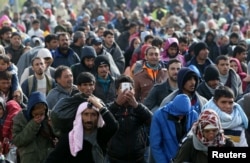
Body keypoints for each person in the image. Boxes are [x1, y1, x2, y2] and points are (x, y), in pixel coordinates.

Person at [45, 96, 118, 163]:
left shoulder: (101, 134)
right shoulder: (70, 139)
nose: (89, 119)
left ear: (98, 117)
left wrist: (99, 106)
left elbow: (114, 126)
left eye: (93, 115)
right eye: (86, 114)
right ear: (80, 116)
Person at [107, 75, 152, 162]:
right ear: (116, 91)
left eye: (130, 88)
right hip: (115, 157)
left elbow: (151, 121)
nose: (127, 91)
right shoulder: (110, 107)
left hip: (138, 157)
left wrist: (136, 106)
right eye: (123, 88)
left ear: (134, 91)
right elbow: (103, 121)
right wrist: (116, 105)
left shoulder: (139, 107)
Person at [150, 94, 198, 163]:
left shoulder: (193, 115)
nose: (181, 117)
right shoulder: (159, 116)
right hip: (167, 159)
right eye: (179, 114)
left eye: (184, 115)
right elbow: (155, 145)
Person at [12, 92, 57, 163]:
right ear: (30, 110)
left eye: (41, 114)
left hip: (48, 157)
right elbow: (17, 141)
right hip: (29, 158)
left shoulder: (50, 116)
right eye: (35, 114)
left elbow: (60, 134)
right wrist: (34, 124)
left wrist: (53, 126)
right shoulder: (20, 118)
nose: (39, 116)